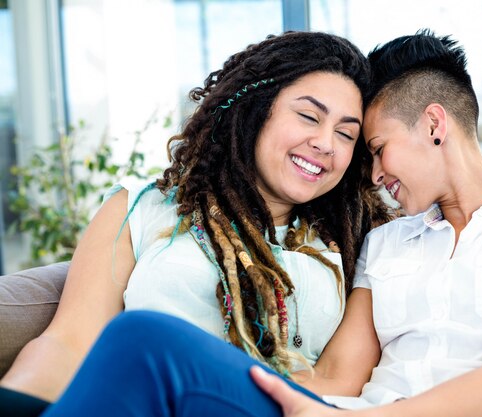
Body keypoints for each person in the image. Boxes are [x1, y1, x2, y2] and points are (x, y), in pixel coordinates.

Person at [3, 29, 482, 417]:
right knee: (146, 347)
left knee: (144, 341)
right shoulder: (386, 240)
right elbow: (334, 376)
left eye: (366, 143)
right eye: (310, 117)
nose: (361, 165)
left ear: (435, 125)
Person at [0, 31, 391, 416]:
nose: (326, 143)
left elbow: (338, 379)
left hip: (258, 405)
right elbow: (69, 342)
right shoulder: (140, 206)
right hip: (133, 398)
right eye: (309, 116)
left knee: (141, 335)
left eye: (345, 134)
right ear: (256, 107)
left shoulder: (355, 241)